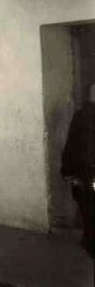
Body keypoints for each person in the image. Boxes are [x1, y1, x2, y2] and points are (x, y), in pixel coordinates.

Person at [62, 85, 95, 258]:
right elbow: (78, 148)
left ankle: (88, 239)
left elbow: (71, 145)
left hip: (84, 175)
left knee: (88, 208)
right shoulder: (86, 117)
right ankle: (90, 242)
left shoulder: (82, 115)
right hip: (88, 175)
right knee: (89, 207)